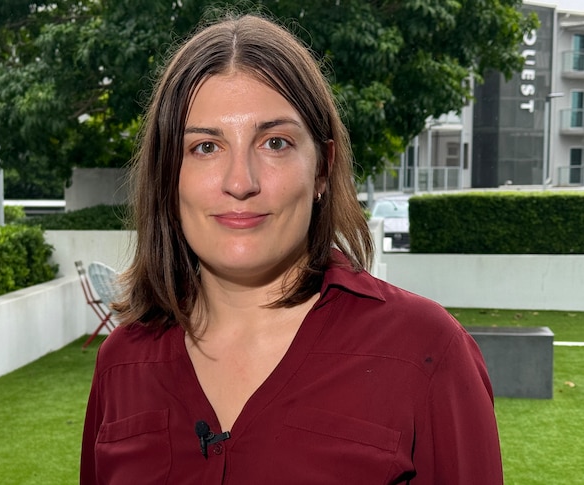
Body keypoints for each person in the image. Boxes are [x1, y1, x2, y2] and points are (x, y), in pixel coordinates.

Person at [80, 13, 502, 484]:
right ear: (166, 174)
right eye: (204, 147)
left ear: (322, 168)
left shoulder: (426, 350)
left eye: (274, 142)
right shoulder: (121, 362)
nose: (240, 182)